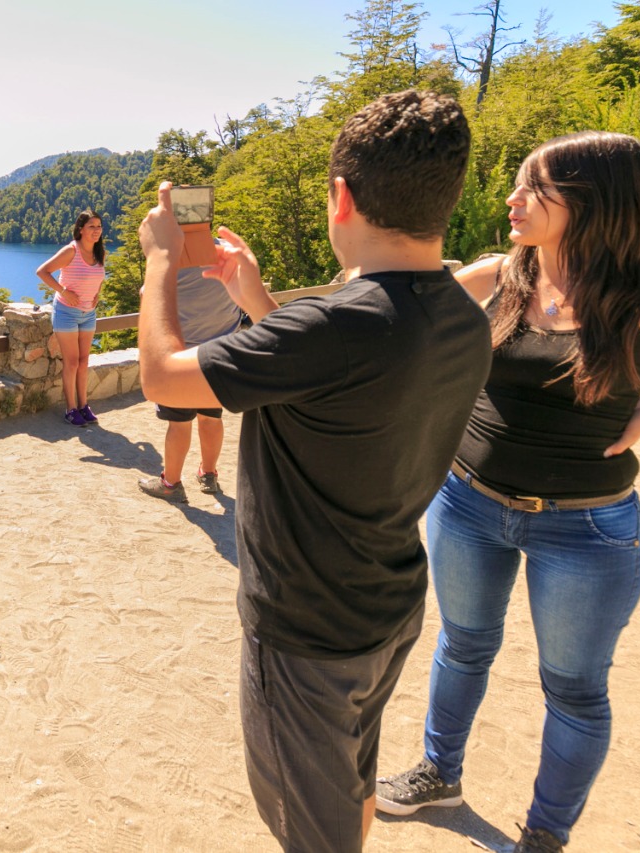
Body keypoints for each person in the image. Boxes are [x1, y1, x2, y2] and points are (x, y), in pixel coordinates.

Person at [137, 89, 491, 852]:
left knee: (311, 831)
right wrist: (254, 296)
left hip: (306, 633)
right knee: (350, 783)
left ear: (341, 197)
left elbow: (165, 377)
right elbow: (341, 381)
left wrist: (161, 261)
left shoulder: (331, 324)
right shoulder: (461, 316)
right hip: (385, 605)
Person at [375, 131, 640, 852]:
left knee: (574, 689)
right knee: (462, 646)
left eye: (533, 188)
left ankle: (545, 833)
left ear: (589, 200)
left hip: (588, 530)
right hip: (469, 504)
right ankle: (438, 772)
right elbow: (387, 325)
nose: (511, 200)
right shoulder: (500, 275)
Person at [137, 263, 243, 502]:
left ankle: (171, 484)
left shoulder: (170, 260)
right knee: (211, 416)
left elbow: (148, 296)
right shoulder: (226, 254)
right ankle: (208, 474)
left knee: (179, 422)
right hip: (218, 354)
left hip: (180, 355)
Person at [36, 210, 107, 427]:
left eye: (99, 226)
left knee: (84, 361)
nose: (96, 230)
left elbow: (99, 277)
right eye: (91, 226)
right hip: (66, 312)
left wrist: (97, 294)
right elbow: (42, 271)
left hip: (88, 314)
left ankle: (84, 406)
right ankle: (70, 409)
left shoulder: (99, 252)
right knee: (72, 362)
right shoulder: (71, 251)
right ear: (81, 229)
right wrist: (64, 291)